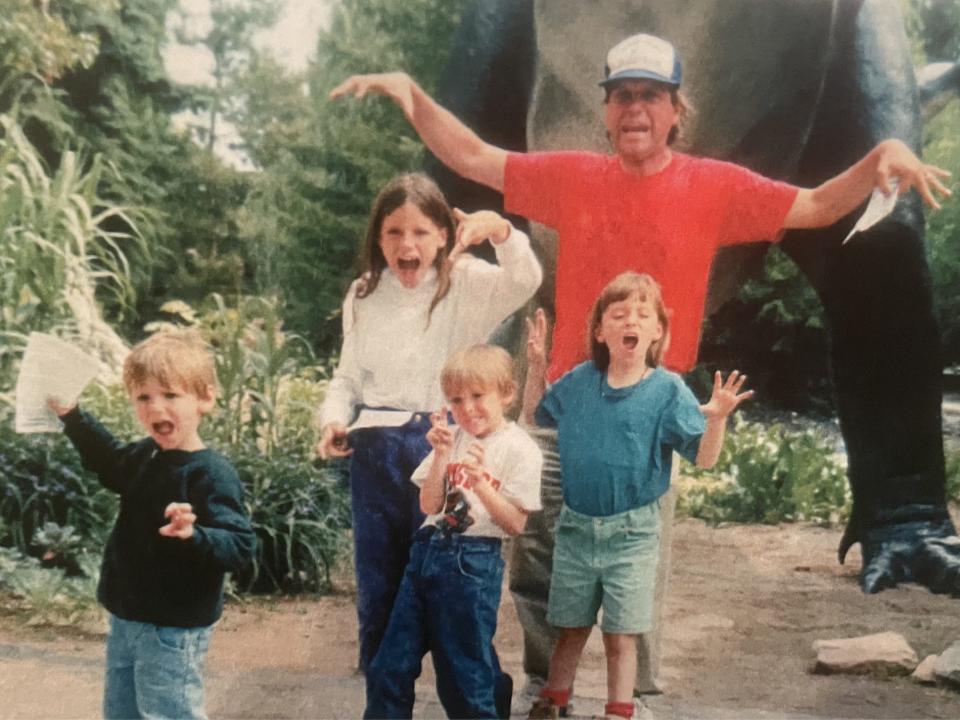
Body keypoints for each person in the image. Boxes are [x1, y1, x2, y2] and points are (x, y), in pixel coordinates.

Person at [329, 32, 952, 695]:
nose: (635, 109)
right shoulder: (571, 176)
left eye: (650, 96)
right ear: (606, 110)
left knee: (636, 560)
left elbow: (817, 205)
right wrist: (412, 95)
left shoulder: (715, 186)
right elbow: (475, 156)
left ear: (676, 111)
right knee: (537, 552)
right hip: (565, 396)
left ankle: (637, 695)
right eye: (622, 95)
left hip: (648, 403)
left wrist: (880, 154)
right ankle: (550, 689)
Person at [315, 173, 542, 673]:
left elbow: (526, 279)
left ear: (443, 234)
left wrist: (501, 232)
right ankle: (383, 697)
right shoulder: (364, 292)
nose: (407, 244)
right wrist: (333, 419)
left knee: (451, 584)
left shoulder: (468, 282)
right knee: (379, 584)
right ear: (378, 239)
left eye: (420, 232)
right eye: (394, 232)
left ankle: (475, 698)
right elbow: (348, 376)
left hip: (442, 442)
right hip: (375, 448)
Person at [521, 272, 751, 720]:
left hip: (633, 534)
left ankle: (619, 711)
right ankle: (554, 701)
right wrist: (534, 366)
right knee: (569, 628)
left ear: (657, 332)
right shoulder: (578, 382)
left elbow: (703, 459)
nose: (631, 321)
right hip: (575, 528)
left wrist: (718, 418)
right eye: (619, 313)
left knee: (620, 635)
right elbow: (534, 414)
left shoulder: (668, 391)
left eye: (643, 315)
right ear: (600, 331)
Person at [47, 331, 256, 720]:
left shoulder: (211, 474)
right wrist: (72, 416)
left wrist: (195, 535)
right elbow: (109, 462)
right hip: (128, 617)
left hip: (173, 630)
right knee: (122, 713)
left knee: (169, 714)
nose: (156, 406)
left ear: (205, 399)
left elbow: (241, 546)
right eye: (144, 397)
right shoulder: (146, 455)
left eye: (170, 395)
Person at [364, 344, 542, 719]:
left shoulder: (519, 448)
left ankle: (493, 704)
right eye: (457, 400)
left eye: (478, 396)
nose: (468, 409)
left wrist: (481, 485)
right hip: (426, 555)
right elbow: (429, 506)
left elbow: (515, 523)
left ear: (506, 394)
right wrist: (443, 457)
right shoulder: (455, 438)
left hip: (471, 565)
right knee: (388, 667)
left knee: (463, 679)